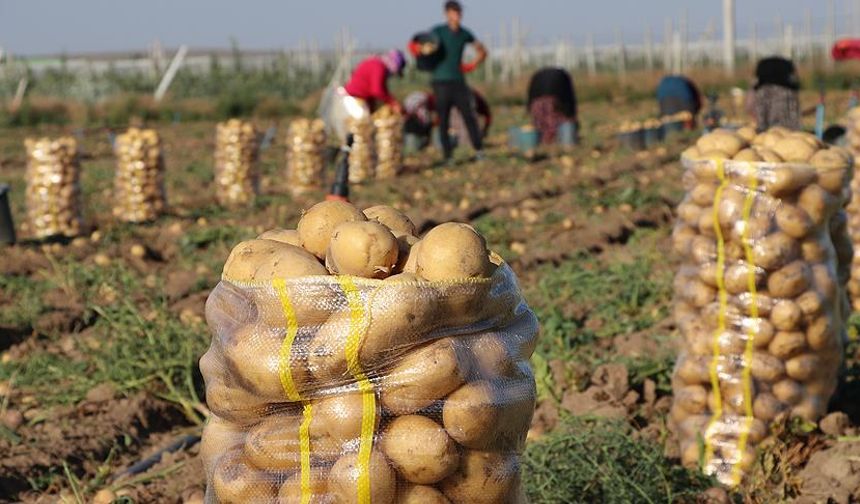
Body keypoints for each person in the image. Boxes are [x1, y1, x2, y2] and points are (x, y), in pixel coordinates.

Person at [412, 1, 487, 161]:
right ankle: (448, 156)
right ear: (447, 14)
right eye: (454, 13)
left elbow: (481, 50)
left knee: (469, 115)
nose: (457, 16)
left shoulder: (465, 34)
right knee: (443, 119)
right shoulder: (438, 32)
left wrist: (472, 65)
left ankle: (479, 151)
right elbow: (421, 45)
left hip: (458, 80)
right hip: (440, 82)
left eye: (459, 13)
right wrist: (419, 50)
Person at [325, 49, 406, 143]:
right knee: (360, 131)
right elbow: (377, 91)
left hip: (354, 99)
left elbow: (379, 91)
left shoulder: (376, 64)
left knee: (361, 132)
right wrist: (393, 103)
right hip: (353, 100)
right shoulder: (378, 66)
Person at [527, 67, 578, 144]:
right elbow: (569, 97)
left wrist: (529, 106)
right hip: (553, 95)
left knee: (540, 119)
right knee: (553, 119)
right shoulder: (564, 76)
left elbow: (530, 92)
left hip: (536, 97)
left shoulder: (539, 74)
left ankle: (540, 139)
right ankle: (550, 140)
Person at [752, 56, 801, 131]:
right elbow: (794, 116)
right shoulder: (789, 92)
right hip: (789, 133)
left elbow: (760, 116)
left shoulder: (762, 91)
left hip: (768, 135)